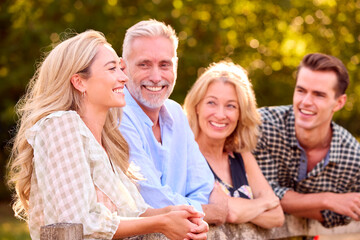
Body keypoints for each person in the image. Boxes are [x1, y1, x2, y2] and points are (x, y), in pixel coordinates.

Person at [7, 30, 208, 240]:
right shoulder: (60, 125)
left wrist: (180, 215)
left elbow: (136, 213)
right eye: (112, 69)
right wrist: (161, 222)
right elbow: (79, 222)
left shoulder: (107, 141)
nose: (124, 77)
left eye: (121, 68)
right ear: (79, 82)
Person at [120, 19, 228, 225]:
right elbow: (151, 202)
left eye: (164, 65)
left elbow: (203, 186)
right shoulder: (117, 114)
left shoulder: (176, 113)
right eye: (144, 64)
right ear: (123, 68)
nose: (155, 76)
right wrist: (212, 212)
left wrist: (185, 210)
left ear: (175, 66)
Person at [253, 53, 360, 228]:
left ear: (339, 102)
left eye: (319, 95)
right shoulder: (262, 127)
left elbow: (341, 216)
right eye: (301, 90)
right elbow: (260, 195)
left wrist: (285, 202)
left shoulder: (353, 158)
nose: (306, 102)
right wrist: (327, 200)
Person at [183, 61, 284, 229]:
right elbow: (229, 212)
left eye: (231, 106)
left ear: (240, 114)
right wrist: (264, 203)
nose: (220, 114)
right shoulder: (187, 154)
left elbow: (277, 216)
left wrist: (238, 208)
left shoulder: (240, 156)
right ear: (197, 106)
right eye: (211, 103)